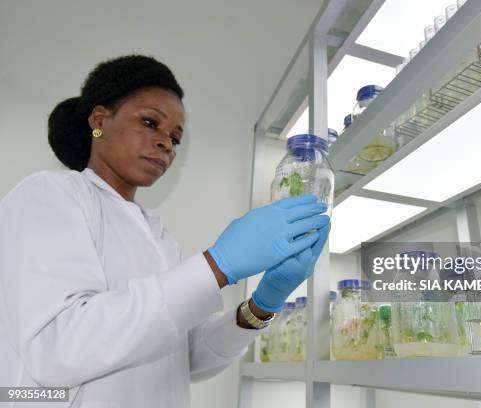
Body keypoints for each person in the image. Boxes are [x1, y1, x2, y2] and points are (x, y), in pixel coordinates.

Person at [0, 55, 330, 407]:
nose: (166, 144)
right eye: (149, 122)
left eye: (175, 137)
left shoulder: (159, 238)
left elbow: (185, 359)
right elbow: (56, 345)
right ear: (99, 120)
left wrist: (262, 305)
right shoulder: (49, 195)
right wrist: (216, 266)